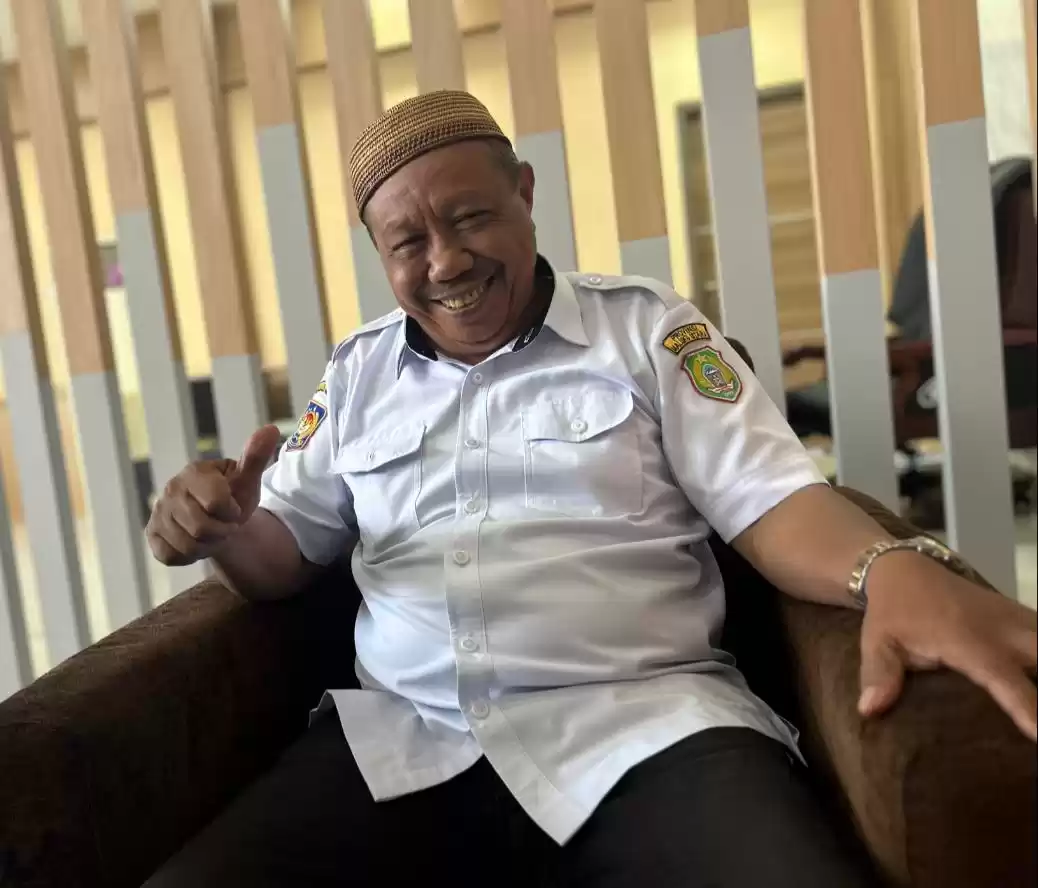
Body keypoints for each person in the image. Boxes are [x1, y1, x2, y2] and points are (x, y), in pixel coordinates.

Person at [144, 91, 1037, 888]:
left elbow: (768, 498)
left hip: (649, 732)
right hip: (404, 745)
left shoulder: (648, 330)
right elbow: (282, 556)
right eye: (408, 243)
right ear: (379, 252)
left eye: (470, 217)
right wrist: (223, 533)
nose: (446, 262)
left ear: (525, 194)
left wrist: (887, 568)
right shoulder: (356, 376)